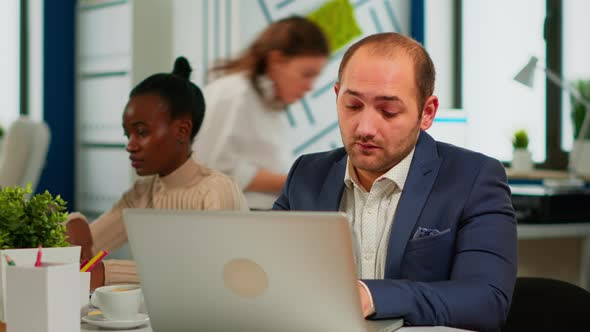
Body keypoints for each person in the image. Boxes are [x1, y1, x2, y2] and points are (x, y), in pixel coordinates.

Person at [273, 33, 517, 332]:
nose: (365, 128)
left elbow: (485, 301)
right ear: (336, 95)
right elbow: (265, 277)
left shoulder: (474, 178)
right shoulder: (307, 174)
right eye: (352, 105)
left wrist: (371, 296)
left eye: (388, 111)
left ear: (427, 112)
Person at [66, 57, 248, 289]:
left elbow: (212, 272)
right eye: (127, 134)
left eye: (141, 132)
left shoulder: (217, 190)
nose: (130, 145)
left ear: (182, 130)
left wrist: (108, 272)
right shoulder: (141, 193)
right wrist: (71, 228)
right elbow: (91, 243)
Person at [192, 16, 330, 210]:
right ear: (276, 61)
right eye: (306, 74)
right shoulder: (235, 94)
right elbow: (208, 171)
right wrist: (293, 182)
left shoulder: (267, 103)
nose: (309, 87)